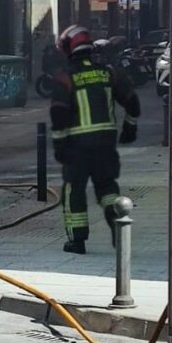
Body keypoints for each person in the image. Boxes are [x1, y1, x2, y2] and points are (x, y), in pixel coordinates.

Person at [50, 25, 140, 254]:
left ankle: (77, 241)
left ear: (68, 49)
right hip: (105, 144)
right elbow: (131, 100)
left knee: (74, 190)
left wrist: (59, 145)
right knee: (108, 188)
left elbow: (59, 114)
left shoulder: (66, 78)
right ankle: (119, 232)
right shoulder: (108, 72)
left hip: (76, 146)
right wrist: (130, 126)